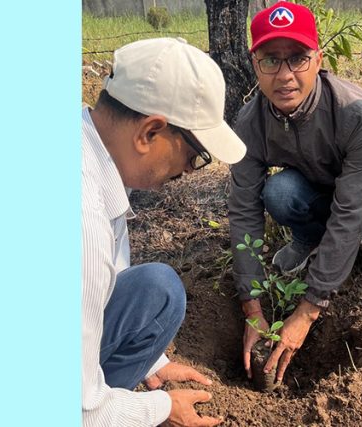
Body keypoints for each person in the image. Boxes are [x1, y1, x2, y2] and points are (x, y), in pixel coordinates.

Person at [228, 2, 362, 385]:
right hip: (320, 181)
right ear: (255, 65)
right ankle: (309, 237)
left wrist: (308, 309)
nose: (285, 76)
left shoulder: (356, 111)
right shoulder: (250, 123)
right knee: (280, 192)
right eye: (271, 60)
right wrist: (252, 307)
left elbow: (350, 211)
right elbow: (243, 208)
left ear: (318, 60)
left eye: (298, 59)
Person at [82, 38, 246, 426]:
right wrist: (161, 410)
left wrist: (148, 363)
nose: (190, 170)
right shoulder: (82, 219)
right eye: (195, 156)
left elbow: (106, 287)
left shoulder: (90, 149)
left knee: (158, 290)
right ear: (149, 132)